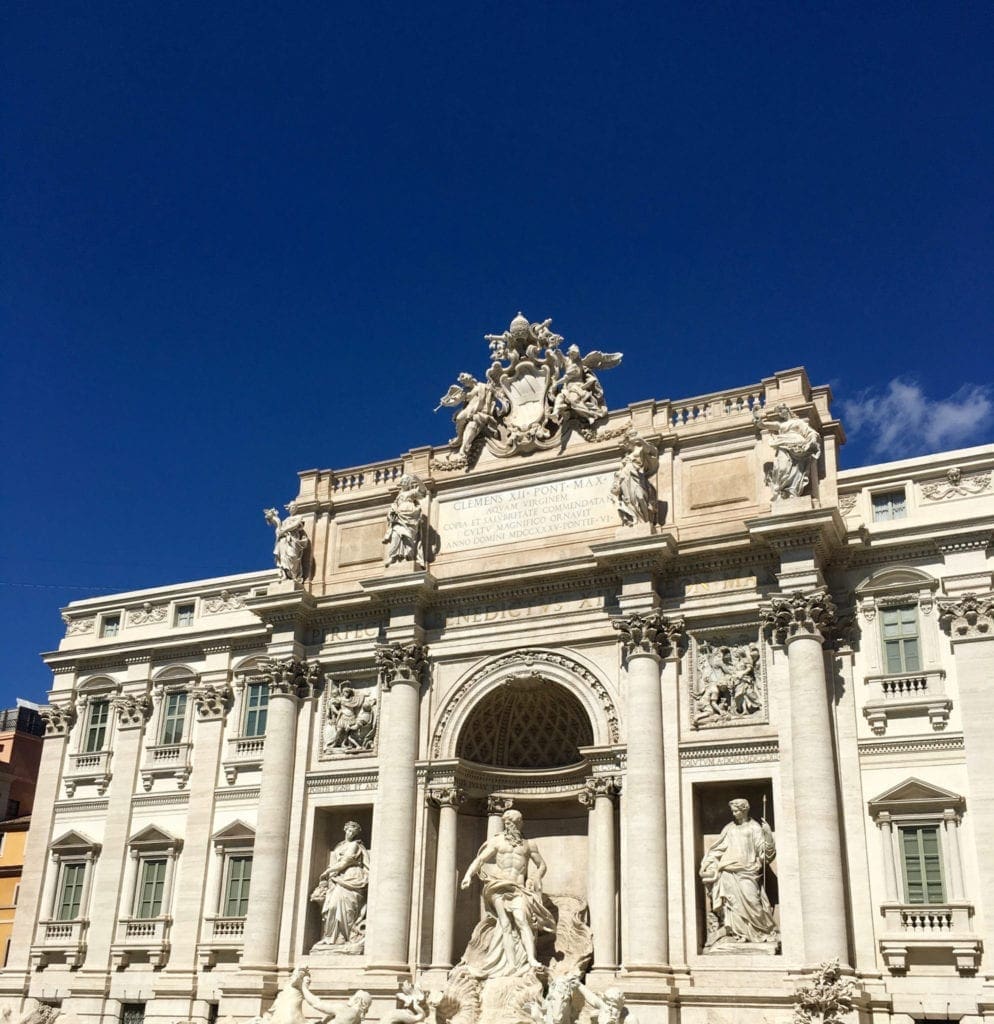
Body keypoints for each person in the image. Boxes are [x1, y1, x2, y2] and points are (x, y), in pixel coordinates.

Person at [459, 808, 554, 974]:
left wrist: (534, 878)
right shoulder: (498, 842)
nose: (513, 825)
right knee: (505, 925)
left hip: (519, 888)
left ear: (520, 823)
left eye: (516, 822)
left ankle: (531, 958)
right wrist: (468, 875)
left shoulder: (529, 844)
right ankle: (511, 964)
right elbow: (480, 859)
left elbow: (542, 865)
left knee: (522, 920)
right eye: (510, 823)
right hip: (499, 886)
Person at [699, 799, 777, 947]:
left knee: (753, 902)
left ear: (745, 810)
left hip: (748, 871)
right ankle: (736, 934)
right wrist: (708, 863)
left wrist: (768, 836)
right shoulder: (729, 828)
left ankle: (762, 932)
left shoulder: (754, 828)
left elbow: (764, 854)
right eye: (733, 811)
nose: (734, 814)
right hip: (728, 871)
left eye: (737, 811)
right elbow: (718, 848)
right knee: (732, 906)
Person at [311, 822, 370, 950]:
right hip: (338, 878)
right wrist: (329, 875)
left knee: (347, 908)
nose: (350, 833)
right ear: (345, 830)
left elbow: (346, 861)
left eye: (353, 832)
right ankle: (330, 938)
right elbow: (336, 862)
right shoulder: (339, 846)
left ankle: (345, 937)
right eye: (349, 831)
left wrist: (328, 872)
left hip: (352, 876)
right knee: (332, 906)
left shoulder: (355, 845)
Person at [756, 404, 820, 500]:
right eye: (779, 412)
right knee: (782, 468)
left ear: (787, 410)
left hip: (798, 446)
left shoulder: (798, 422)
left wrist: (812, 441)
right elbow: (764, 425)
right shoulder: (781, 425)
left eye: (781, 410)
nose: (780, 413)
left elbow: (811, 432)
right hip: (783, 444)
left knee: (796, 469)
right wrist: (758, 418)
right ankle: (782, 489)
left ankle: (792, 491)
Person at [383, 475, 427, 568]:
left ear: (409, 483)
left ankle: (409, 557)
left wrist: (418, 480)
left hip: (410, 517)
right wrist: (391, 514)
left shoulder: (412, 492)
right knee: (395, 536)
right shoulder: (398, 496)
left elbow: (423, 492)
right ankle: (393, 557)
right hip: (399, 517)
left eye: (406, 481)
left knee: (409, 538)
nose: (404, 482)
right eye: (403, 481)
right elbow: (393, 507)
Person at [264, 505, 309, 582]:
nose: (292, 509)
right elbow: (279, 527)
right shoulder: (286, 520)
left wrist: (284, 530)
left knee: (292, 556)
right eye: (291, 507)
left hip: (293, 540)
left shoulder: (299, 517)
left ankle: (294, 576)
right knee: (283, 557)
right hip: (284, 540)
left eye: (294, 507)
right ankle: (286, 575)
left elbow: (295, 525)